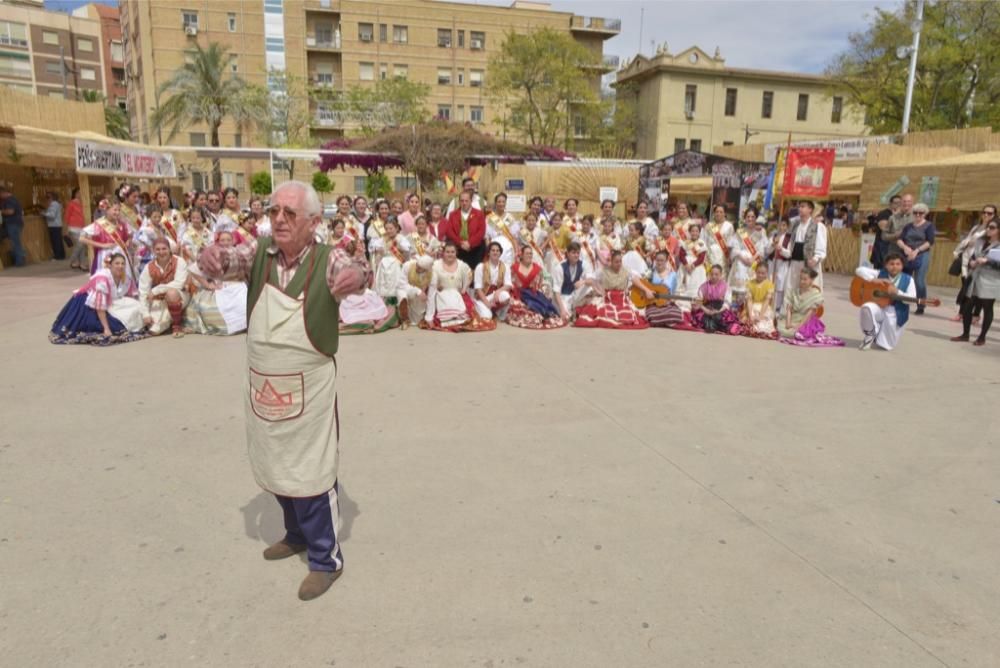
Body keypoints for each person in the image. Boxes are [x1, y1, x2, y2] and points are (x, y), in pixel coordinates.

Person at [198, 181, 371, 600]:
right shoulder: (258, 253)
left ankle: (325, 558)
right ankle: (294, 533)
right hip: (263, 385)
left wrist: (357, 278)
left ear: (313, 222)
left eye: (289, 214)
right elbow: (225, 262)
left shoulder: (329, 260)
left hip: (309, 388)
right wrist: (212, 258)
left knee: (310, 472)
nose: (278, 219)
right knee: (275, 467)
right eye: (274, 210)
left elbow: (360, 272)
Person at [49, 250, 145, 345]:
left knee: (135, 306)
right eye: (117, 263)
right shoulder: (102, 279)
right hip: (86, 303)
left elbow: (129, 296)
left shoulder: (125, 278)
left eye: (123, 264)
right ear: (110, 265)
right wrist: (106, 328)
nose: (120, 266)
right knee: (114, 326)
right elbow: (100, 306)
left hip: (109, 302)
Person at [185, 232, 249, 336]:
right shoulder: (212, 253)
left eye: (228, 240)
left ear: (233, 241)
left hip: (238, 286)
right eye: (222, 240)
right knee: (211, 309)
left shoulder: (239, 253)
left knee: (244, 303)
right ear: (218, 242)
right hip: (219, 287)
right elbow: (194, 269)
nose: (226, 242)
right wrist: (207, 284)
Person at [424, 241, 495, 332]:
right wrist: (429, 316)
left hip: (458, 295)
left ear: (456, 253)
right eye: (447, 252)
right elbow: (431, 289)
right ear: (443, 253)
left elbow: (469, 275)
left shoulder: (462, 265)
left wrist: (464, 288)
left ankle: (458, 319)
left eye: (452, 252)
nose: (450, 254)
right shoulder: (436, 265)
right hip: (441, 295)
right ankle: (448, 319)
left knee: (486, 315)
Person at [951, 219, 1000, 347]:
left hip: (991, 280)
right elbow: (972, 255)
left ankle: (982, 337)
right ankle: (965, 334)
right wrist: (972, 262)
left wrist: (987, 261)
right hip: (975, 277)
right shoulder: (980, 240)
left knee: (987, 307)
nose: (989, 229)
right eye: (988, 227)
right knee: (967, 306)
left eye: (992, 227)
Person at [856, 252, 916, 351]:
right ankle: (869, 335)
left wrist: (897, 292)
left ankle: (878, 330)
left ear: (902, 266)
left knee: (885, 346)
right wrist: (873, 280)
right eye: (891, 264)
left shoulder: (909, 280)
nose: (894, 267)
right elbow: (859, 270)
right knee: (866, 307)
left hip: (895, 312)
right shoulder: (880, 273)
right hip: (880, 307)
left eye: (898, 264)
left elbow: (913, 300)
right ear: (886, 265)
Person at [574, 250, 648, 329]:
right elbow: (592, 278)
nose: (619, 264)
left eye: (620, 261)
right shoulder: (603, 271)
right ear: (611, 262)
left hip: (621, 299)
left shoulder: (625, 270)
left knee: (628, 316)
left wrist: (646, 290)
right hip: (607, 298)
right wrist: (583, 281)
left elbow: (634, 279)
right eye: (616, 262)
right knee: (599, 314)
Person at [504, 246, 567, 330]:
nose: (529, 255)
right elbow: (509, 283)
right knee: (521, 310)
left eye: (531, 253)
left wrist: (544, 292)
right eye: (527, 253)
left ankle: (542, 314)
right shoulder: (514, 268)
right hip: (518, 296)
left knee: (541, 307)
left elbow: (543, 283)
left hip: (534, 295)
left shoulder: (537, 268)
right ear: (521, 255)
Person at [778, 268, 844, 347]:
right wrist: (788, 324)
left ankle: (797, 332)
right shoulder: (794, 292)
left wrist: (798, 326)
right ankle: (792, 331)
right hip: (794, 318)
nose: (802, 281)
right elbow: (789, 309)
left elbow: (809, 314)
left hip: (806, 321)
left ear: (811, 280)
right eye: (801, 279)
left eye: (805, 279)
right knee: (780, 328)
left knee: (798, 332)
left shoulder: (815, 295)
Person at [139, 237, 190, 338]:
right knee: (153, 329)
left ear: (169, 249)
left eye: (164, 249)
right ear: (153, 250)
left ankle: (177, 325)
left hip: (179, 295)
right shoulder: (149, 266)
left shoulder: (179, 261)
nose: (161, 252)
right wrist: (145, 314)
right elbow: (143, 291)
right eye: (158, 249)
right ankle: (171, 319)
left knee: (171, 293)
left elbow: (179, 283)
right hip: (159, 300)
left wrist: (156, 290)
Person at [952, 206, 993, 322]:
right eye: (984, 212)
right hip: (967, 259)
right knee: (966, 287)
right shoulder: (976, 227)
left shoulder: (991, 230)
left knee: (977, 290)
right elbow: (967, 240)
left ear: (994, 215)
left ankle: (975, 315)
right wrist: (957, 251)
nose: (986, 215)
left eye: (989, 213)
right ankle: (962, 313)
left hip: (979, 261)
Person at [80, 201, 137, 282]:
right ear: (107, 210)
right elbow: (82, 238)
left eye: (119, 210)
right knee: (106, 278)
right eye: (115, 210)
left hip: (121, 254)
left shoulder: (122, 224)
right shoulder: (100, 224)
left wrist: (128, 240)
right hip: (105, 256)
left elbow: (131, 234)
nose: (117, 212)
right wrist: (102, 245)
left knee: (122, 278)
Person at [896, 202, 935, 315]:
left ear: (925, 214)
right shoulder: (908, 226)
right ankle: (902, 302)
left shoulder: (929, 226)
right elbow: (900, 239)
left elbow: (930, 241)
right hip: (907, 254)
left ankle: (921, 304)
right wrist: (905, 248)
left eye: (920, 213)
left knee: (919, 281)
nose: (918, 215)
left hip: (921, 254)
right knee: (905, 279)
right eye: (915, 213)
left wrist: (917, 250)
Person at [785, 200, 827, 295]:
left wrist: (815, 259)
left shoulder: (817, 226)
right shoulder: (795, 224)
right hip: (794, 264)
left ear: (810, 209)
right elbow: (790, 244)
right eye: (799, 206)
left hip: (808, 264)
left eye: (803, 206)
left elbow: (821, 247)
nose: (800, 209)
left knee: (808, 292)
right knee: (791, 290)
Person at [729, 212, 769, 307]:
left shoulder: (761, 232)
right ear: (744, 218)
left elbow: (761, 249)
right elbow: (735, 248)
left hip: (754, 263)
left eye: (752, 217)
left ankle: (749, 310)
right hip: (740, 262)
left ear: (756, 218)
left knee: (751, 290)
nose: (750, 219)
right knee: (737, 290)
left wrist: (752, 259)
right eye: (748, 217)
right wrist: (743, 258)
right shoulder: (740, 232)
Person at [441, 190, 486, 271]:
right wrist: (461, 243)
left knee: (474, 273)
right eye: (462, 201)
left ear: (471, 201)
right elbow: (449, 232)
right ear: (459, 202)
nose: (464, 203)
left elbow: (481, 231)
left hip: (475, 250)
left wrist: (470, 243)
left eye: (466, 201)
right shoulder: (453, 214)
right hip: (459, 250)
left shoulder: (479, 214)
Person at [690, 265, 738, 334]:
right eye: (712, 274)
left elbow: (727, 303)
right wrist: (706, 310)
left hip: (720, 309)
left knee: (724, 321)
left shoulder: (725, 286)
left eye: (716, 274)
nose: (714, 276)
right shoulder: (704, 286)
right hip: (706, 308)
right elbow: (699, 301)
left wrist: (718, 311)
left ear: (721, 275)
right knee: (703, 320)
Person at [642, 250, 684, 328]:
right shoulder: (650, 273)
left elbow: (675, 291)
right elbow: (642, 284)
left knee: (676, 313)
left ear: (666, 261)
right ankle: (666, 321)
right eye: (657, 260)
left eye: (662, 260)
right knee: (651, 314)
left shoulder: (673, 275)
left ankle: (661, 320)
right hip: (653, 304)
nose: (659, 262)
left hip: (667, 304)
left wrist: (672, 299)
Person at [552, 242, 593, 321]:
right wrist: (562, 310)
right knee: (566, 318)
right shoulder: (560, 267)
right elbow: (556, 292)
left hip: (574, 296)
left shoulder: (584, 264)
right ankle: (572, 311)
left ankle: (583, 310)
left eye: (578, 253)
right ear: (567, 253)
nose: (576, 255)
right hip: (562, 298)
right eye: (573, 253)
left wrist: (583, 281)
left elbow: (591, 280)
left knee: (589, 287)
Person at [473, 241, 513, 320]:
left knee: (506, 296)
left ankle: (496, 312)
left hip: (496, 295)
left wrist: (498, 292)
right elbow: (478, 289)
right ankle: (484, 308)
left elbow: (508, 284)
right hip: (483, 297)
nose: (495, 252)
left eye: (497, 251)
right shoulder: (481, 267)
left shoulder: (505, 266)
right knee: (487, 317)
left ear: (500, 253)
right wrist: (487, 303)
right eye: (493, 250)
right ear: (489, 253)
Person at [741, 262, 776, 338]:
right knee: (750, 322)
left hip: (763, 308)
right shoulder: (750, 283)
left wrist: (760, 316)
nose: (760, 275)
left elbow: (767, 301)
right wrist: (750, 315)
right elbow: (749, 300)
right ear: (755, 272)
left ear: (766, 273)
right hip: (752, 307)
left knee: (763, 325)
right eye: (758, 272)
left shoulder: (769, 284)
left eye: (763, 273)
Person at [398, 254, 434, 327]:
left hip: (419, 297)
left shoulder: (432, 274)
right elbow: (401, 284)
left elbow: (431, 296)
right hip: (405, 291)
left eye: (420, 268)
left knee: (416, 321)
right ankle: (403, 317)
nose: (417, 268)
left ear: (426, 269)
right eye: (417, 265)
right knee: (402, 296)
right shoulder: (408, 265)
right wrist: (417, 291)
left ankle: (409, 317)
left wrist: (429, 317)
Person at [878, 193, 913, 268]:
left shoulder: (916, 217)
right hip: (894, 251)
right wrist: (896, 235)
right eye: (904, 201)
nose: (906, 203)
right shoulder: (892, 218)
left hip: (909, 251)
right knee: (891, 275)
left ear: (912, 203)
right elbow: (884, 236)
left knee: (906, 275)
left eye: (909, 201)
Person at [677, 222, 708, 302]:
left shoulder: (702, 243)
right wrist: (686, 265)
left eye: (696, 231)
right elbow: (681, 255)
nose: (694, 233)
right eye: (692, 231)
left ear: (699, 232)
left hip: (696, 268)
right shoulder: (685, 242)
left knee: (696, 286)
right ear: (689, 232)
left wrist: (693, 266)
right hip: (685, 267)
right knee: (684, 286)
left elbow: (701, 258)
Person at [769, 218, 793, 314]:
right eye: (780, 225)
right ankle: (769, 306)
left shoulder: (789, 238)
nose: (781, 227)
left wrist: (781, 249)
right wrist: (772, 245)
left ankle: (778, 309)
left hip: (782, 264)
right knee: (771, 285)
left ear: (787, 227)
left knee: (780, 286)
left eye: (784, 225)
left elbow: (789, 254)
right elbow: (767, 250)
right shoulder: (773, 235)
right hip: (773, 263)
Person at [0, 185, 26, 267]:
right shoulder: (10, 199)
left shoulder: (10, 200)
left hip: (13, 224)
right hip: (10, 224)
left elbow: (10, 211)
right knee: (14, 242)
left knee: (15, 242)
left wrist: (1, 212)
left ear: (2, 192)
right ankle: (19, 258)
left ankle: (19, 261)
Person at [66, 187, 88, 270]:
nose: (80, 194)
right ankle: (72, 260)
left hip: (82, 227)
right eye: (78, 193)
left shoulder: (83, 203)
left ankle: (81, 264)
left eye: (81, 193)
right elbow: (67, 215)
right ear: (75, 194)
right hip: (73, 227)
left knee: (82, 246)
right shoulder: (71, 203)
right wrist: (67, 227)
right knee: (80, 244)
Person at [41, 191, 65, 261]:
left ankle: (57, 256)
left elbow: (52, 215)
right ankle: (61, 255)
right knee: (58, 241)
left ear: (52, 197)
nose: (47, 199)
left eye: (48, 197)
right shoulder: (57, 204)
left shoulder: (53, 204)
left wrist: (43, 213)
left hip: (54, 225)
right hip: (57, 225)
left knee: (55, 241)